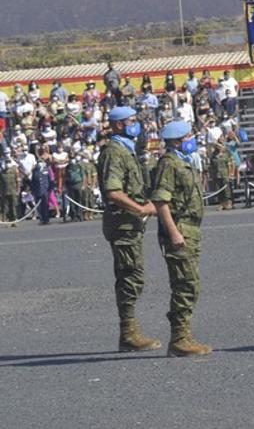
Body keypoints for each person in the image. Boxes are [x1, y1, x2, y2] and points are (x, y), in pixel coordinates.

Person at [97, 106, 160, 352]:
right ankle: (128, 333)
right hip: (122, 222)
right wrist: (140, 209)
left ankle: (129, 331)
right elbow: (113, 192)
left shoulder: (126, 149)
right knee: (130, 276)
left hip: (128, 222)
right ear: (120, 124)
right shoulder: (115, 153)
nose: (137, 125)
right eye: (132, 121)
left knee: (132, 274)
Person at [151, 120, 211, 357]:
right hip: (180, 231)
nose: (192, 139)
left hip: (191, 230)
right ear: (176, 141)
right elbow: (161, 201)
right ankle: (179, 338)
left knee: (189, 283)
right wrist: (174, 232)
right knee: (185, 284)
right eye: (188, 136)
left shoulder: (185, 163)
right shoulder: (169, 164)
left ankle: (183, 335)